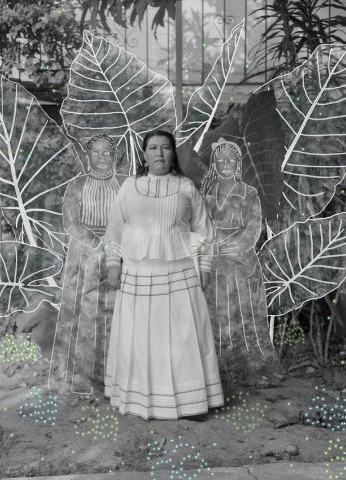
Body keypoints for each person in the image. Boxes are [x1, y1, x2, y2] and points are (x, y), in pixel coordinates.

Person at [103, 130, 224, 420]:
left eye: (166, 148)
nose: (159, 153)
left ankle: (191, 403)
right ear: (144, 154)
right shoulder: (129, 187)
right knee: (139, 338)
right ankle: (139, 400)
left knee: (182, 339)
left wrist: (205, 266)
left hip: (179, 272)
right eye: (153, 148)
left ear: (173, 154)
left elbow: (204, 232)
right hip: (136, 273)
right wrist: (113, 262)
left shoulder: (186, 187)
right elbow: (113, 230)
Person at [48, 133, 124, 394]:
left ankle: (116, 375)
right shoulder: (76, 185)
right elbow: (70, 222)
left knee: (118, 309)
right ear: (87, 156)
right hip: (84, 255)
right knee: (83, 313)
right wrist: (97, 243)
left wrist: (114, 245)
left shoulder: (125, 184)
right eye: (95, 153)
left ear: (115, 156)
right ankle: (79, 375)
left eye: (107, 153)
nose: (101, 158)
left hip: (118, 252)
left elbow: (132, 217)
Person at [200, 137, 278, 388]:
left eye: (230, 160)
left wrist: (231, 246)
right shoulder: (207, 195)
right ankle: (220, 369)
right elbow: (201, 228)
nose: (225, 165)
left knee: (244, 315)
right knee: (217, 315)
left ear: (238, 164)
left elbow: (253, 229)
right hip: (214, 266)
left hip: (241, 265)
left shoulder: (249, 193)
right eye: (220, 160)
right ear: (214, 165)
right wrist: (212, 246)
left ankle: (252, 368)